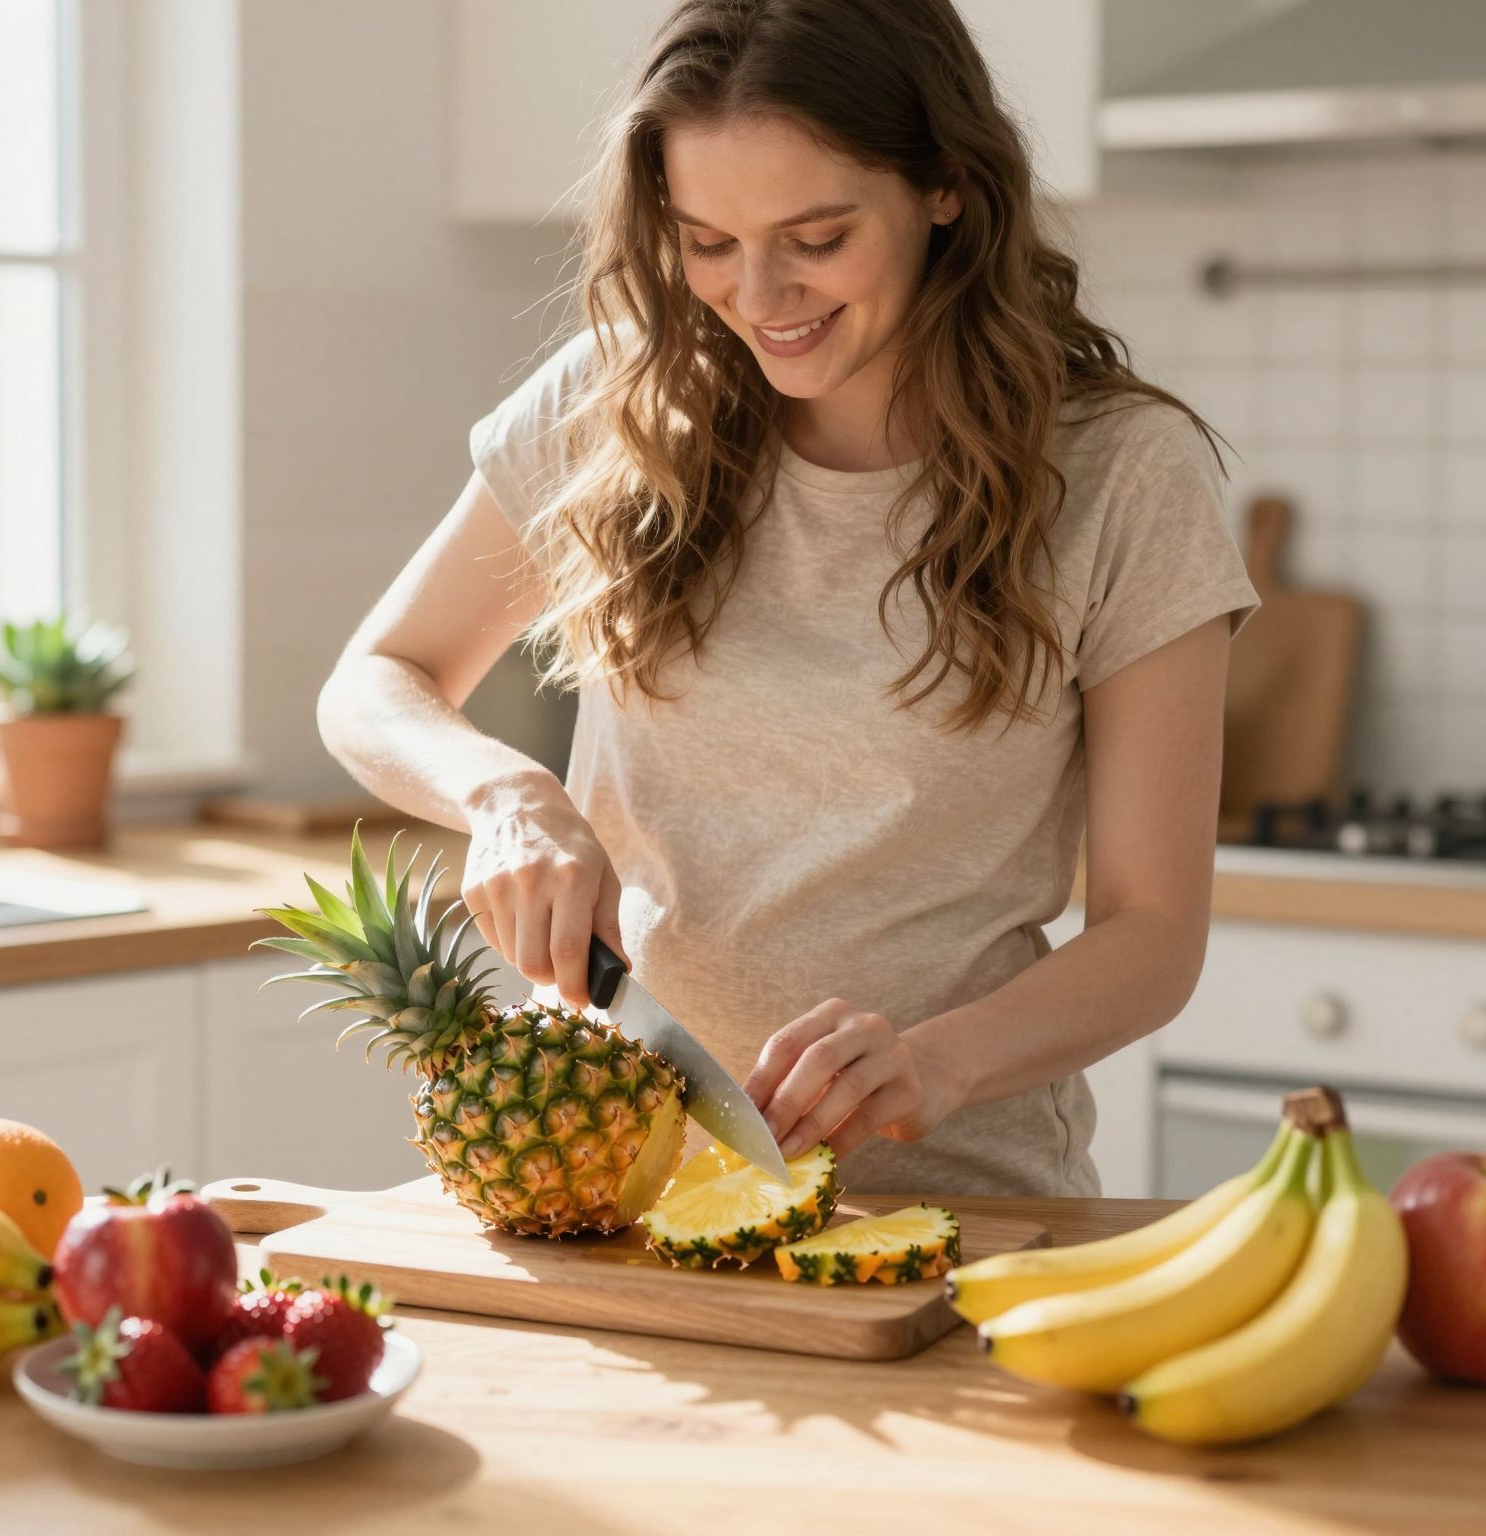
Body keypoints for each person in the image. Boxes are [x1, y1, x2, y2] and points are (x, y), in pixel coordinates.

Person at [316, 0, 1258, 1197]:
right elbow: (374, 681)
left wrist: (934, 1064)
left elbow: (1152, 934)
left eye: (815, 237)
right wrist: (504, 796)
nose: (758, 294)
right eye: (706, 241)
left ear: (946, 186)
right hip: (619, 1193)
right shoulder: (619, 401)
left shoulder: (1121, 473)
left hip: (957, 1211)